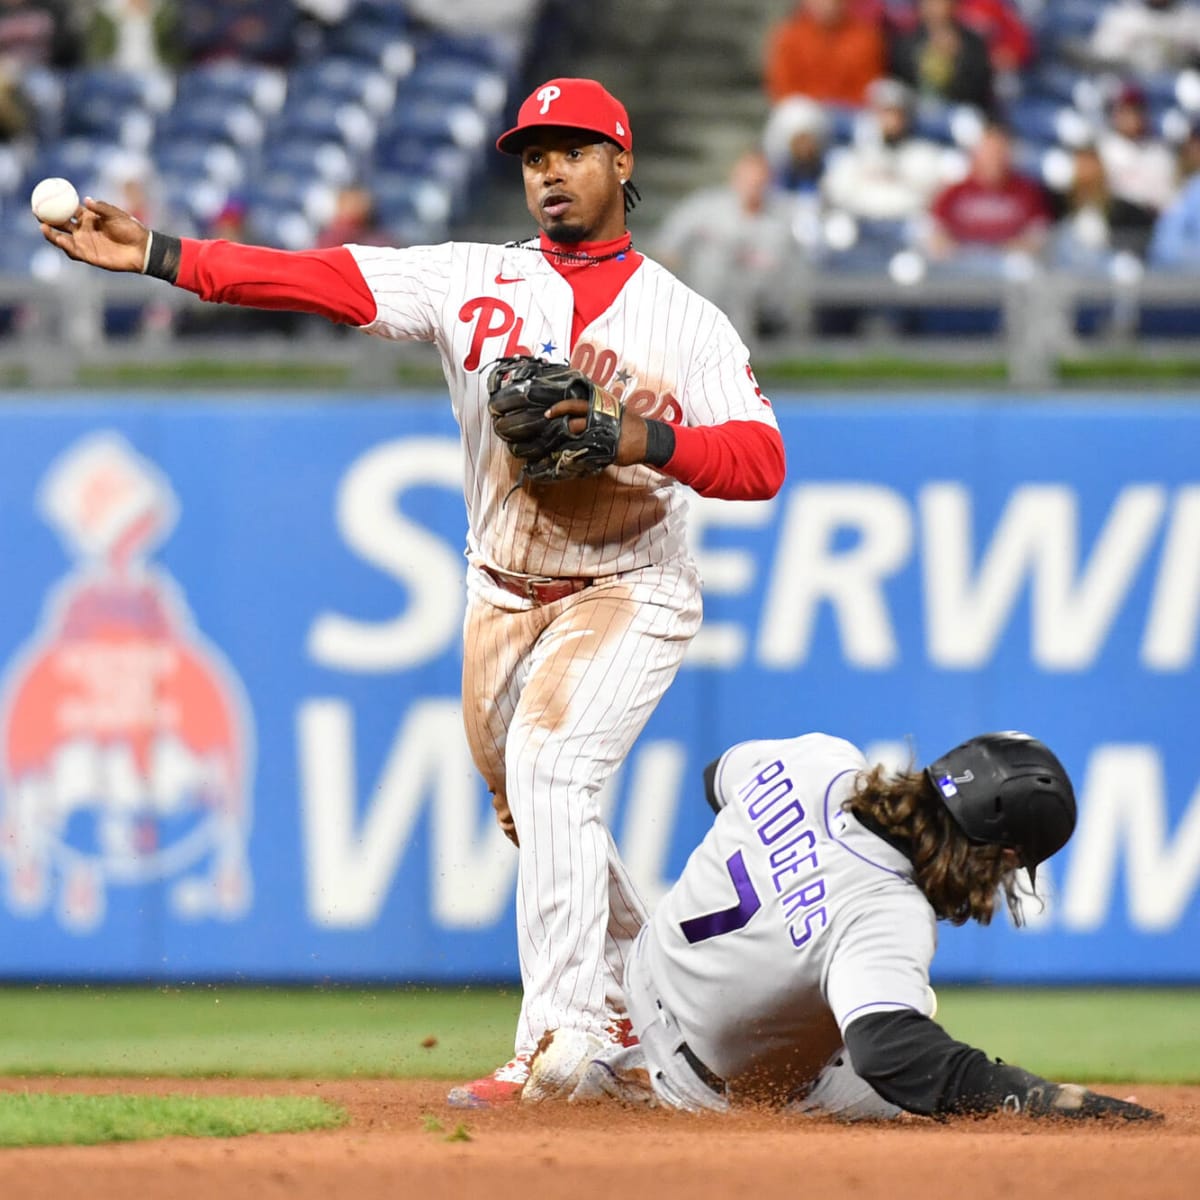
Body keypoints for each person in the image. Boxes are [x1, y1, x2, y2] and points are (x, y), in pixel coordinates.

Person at [37, 76, 787, 1107]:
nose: (548, 170)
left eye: (571, 149)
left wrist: (632, 435)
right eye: (533, 155)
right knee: (535, 806)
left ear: (622, 163)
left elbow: (759, 461)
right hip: (500, 591)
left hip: (631, 583)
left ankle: (561, 1044)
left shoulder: (685, 320)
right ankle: (633, 1005)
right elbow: (322, 278)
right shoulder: (468, 277)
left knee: (555, 765)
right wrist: (164, 254)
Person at [568, 729, 1161, 1123]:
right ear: (1002, 856)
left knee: (853, 986)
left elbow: (716, 777)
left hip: (636, 972)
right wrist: (1040, 1099)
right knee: (915, 1061)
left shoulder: (821, 759)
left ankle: (615, 1045)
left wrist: (789, 873)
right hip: (698, 1086)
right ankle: (635, 1078)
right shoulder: (887, 913)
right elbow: (890, 1054)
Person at [652, 149, 802, 341]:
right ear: (735, 176)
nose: (753, 186)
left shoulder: (780, 223)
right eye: (748, 179)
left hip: (755, 320)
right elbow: (665, 248)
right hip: (697, 313)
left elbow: (789, 275)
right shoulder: (704, 207)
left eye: (759, 181)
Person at [922, 120, 1051, 272]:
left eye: (999, 151)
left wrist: (1000, 252)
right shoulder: (954, 192)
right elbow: (935, 234)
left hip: (1007, 269)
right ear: (976, 153)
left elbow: (1038, 237)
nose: (994, 157)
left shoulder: (1028, 192)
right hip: (962, 268)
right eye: (988, 151)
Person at [764, 0, 886, 108]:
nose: (827, 4)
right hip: (804, 110)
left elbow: (868, 86)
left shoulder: (865, 37)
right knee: (796, 114)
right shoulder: (789, 35)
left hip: (849, 112)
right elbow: (782, 88)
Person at [888, 0, 995, 114]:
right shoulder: (906, 41)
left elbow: (978, 89)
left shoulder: (972, 43)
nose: (935, 9)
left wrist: (957, 59)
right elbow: (899, 80)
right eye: (930, 3)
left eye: (941, 3)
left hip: (958, 110)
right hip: (915, 109)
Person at [1089, 0, 1200, 76]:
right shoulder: (1123, 15)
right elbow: (1101, 55)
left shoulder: (1191, 18)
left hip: (1176, 85)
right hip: (1130, 84)